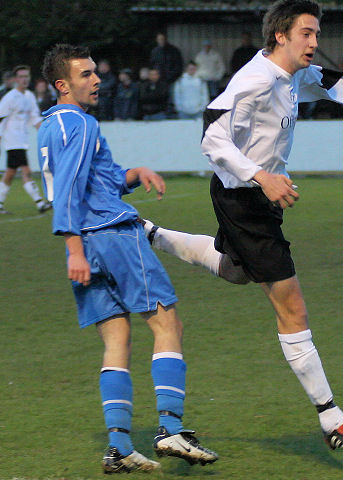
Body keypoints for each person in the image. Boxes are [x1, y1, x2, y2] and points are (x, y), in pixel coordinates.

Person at [141, 0, 343, 456]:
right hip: (245, 199)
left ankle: (152, 235)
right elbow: (211, 134)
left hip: (256, 199)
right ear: (280, 35)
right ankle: (332, 419)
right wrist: (262, 177)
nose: (315, 42)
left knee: (238, 270)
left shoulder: (294, 74)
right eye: (307, 33)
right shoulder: (255, 80)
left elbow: (329, 84)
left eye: (317, 33)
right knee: (292, 306)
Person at [37, 44, 218, 473]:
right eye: (85, 75)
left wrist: (134, 174)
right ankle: (170, 429)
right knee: (166, 322)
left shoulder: (50, 127)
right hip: (112, 238)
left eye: (95, 72)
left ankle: (119, 446)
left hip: (90, 241)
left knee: (117, 340)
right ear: (63, 85)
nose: (96, 80)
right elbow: (67, 189)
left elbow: (94, 182)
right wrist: (74, 249)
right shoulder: (79, 124)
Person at [0, 65, 52, 214]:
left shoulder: (29, 96)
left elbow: (35, 117)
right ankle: (40, 202)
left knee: (10, 173)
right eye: (21, 77)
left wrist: (46, 132)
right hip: (12, 141)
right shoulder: (10, 97)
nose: (24, 79)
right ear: (16, 79)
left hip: (22, 141)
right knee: (26, 171)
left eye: (26, 76)